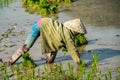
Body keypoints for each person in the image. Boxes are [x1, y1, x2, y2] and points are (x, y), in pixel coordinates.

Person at [5, 17, 87, 66]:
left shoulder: (64, 29)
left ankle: (49, 64)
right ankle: (10, 62)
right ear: (75, 31)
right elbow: (73, 51)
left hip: (41, 21)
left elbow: (62, 43)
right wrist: (80, 63)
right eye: (79, 33)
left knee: (55, 46)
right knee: (26, 47)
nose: (78, 34)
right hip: (39, 25)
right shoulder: (68, 35)